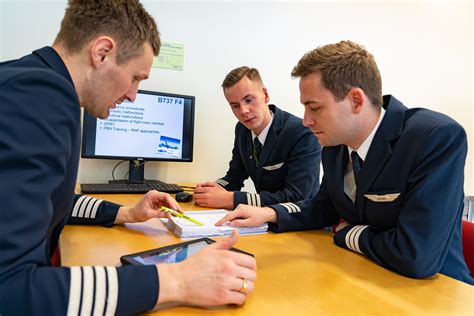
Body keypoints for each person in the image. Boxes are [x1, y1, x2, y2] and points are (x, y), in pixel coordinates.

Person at [0, 1, 256, 314]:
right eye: (136, 77)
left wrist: (126, 214)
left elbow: (46, 200)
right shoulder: (40, 96)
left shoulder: (27, 81)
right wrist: (176, 280)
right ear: (102, 52)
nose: (134, 95)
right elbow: (9, 289)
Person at [216, 40, 474, 284]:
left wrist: (347, 233)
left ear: (356, 100)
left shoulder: (434, 138)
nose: (306, 120)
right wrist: (270, 213)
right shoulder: (336, 145)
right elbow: (324, 208)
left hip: (436, 291)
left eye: (314, 108)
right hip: (366, 275)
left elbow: (416, 255)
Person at [194, 66, 322, 209]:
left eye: (248, 100)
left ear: (265, 95)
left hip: (302, 224)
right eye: (235, 106)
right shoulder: (242, 129)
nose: (244, 111)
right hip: (263, 221)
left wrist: (232, 199)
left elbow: (296, 196)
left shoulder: (302, 132)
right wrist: (211, 189)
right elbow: (235, 176)